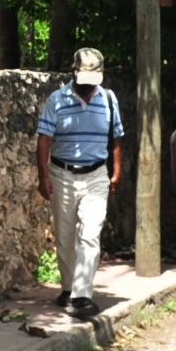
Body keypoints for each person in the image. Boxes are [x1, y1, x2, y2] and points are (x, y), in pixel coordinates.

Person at [36, 47, 123, 319]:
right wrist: (43, 176)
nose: (87, 87)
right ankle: (68, 288)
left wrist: (116, 171)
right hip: (62, 173)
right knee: (65, 236)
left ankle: (82, 295)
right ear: (73, 72)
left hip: (96, 174)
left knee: (90, 232)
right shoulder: (57, 100)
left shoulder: (109, 99)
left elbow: (117, 137)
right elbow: (44, 139)